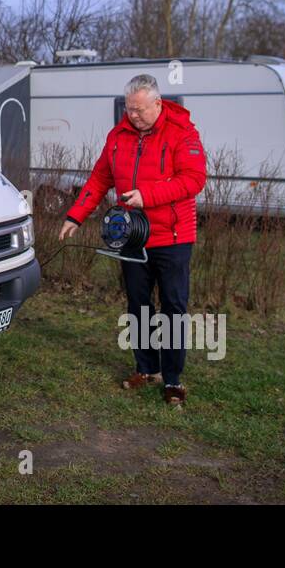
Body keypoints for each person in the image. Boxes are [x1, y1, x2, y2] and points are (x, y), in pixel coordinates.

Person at [58, 73, 206, 406]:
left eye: (139, 110)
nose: (133, 116)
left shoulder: (182, 133)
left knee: (173, 308)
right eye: (129, 110)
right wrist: (75, 216)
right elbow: (99, 179)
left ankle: (172, 381)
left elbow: (194, 179)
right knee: (137, 307)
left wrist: (149, 196)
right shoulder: (118, 135)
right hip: (131, 237)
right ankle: (147, 368)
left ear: (157, 103)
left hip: (172, 237)